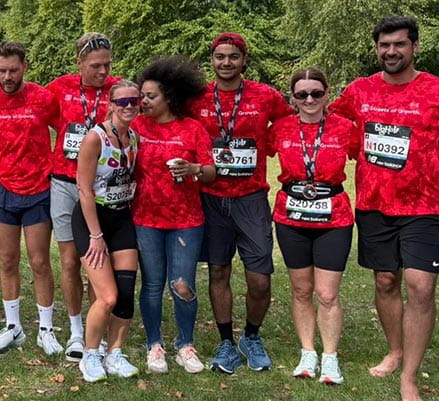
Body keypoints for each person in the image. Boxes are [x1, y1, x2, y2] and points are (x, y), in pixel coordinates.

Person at [329, 16, 439, 401]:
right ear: (377, 48)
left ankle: (409, 377)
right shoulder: (359, 90)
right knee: (385, 281)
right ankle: (395, 351)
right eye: (384, 45)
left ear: (414, 47)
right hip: (374, 205)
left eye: (399, 44)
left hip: (424, 208)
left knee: (421, 286)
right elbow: (329, 125)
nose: (391, 51)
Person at [191, 32, 292, 374]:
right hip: (211, 197)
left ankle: (251, 336)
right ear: (212, 60)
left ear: (244, 60)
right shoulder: (198, 97)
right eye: (220, 56)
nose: (226, 62)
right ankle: (225, 342)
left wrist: (271, 145)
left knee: (259, 279)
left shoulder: (265, 96)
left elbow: (288, 123)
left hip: (251, 198)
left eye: (233, 56)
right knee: (218, 270)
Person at [0, 41, 60, 356]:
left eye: (13, 70)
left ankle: (46, 330)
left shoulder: (43, 98)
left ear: (24, 67)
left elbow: (67, 130)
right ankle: (13, 327)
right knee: (7, 260)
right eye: (2, 71)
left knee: (39, 261)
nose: (8, 77)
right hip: (3, 188)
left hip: (38, 189)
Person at [272, 68, 356, 385]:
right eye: (302, 94)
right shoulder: (280, 128)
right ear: (292, 97)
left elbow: (368, 159)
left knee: (327, 293)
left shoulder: (345, 127)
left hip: (333, 218)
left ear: (327, 94)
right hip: (291, 217)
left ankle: (330, 357)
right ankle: (308, 352)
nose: (309, 99)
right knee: (301, 289)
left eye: (316, 93)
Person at [130, 55, 213, 375]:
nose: (143, 101)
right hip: (145, 218)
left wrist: (193, 169)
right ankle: (154, 345)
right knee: (152, 284)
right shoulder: (136, 126)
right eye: (142, 95)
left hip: (186, 221)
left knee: (182, 284)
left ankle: (185, 345)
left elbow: (211, 172)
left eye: (150, 96)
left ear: (169, 97)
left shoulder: (192, 129)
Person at [45, 33, 123, 359]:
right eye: (95, 66)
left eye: (107, 64)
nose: (103, 71)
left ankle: (97, 331)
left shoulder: (118, 90)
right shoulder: (59, 88)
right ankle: (76, 331)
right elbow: (39, 114)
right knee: (68, 261)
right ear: (79, 63)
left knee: (96, 260)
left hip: (103, 187)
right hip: (64, 182)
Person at [74, 80, 141, 383]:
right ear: (111, 104)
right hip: (92, 219)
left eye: (134, 101)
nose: (129, 106)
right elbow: (84, 189)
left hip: (121, 216)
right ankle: (90, 354)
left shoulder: (133, 137)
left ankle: (115, 352)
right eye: (122, 101)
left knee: (125, 293)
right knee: (108, 296)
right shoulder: (95, 138)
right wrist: (96, 235)